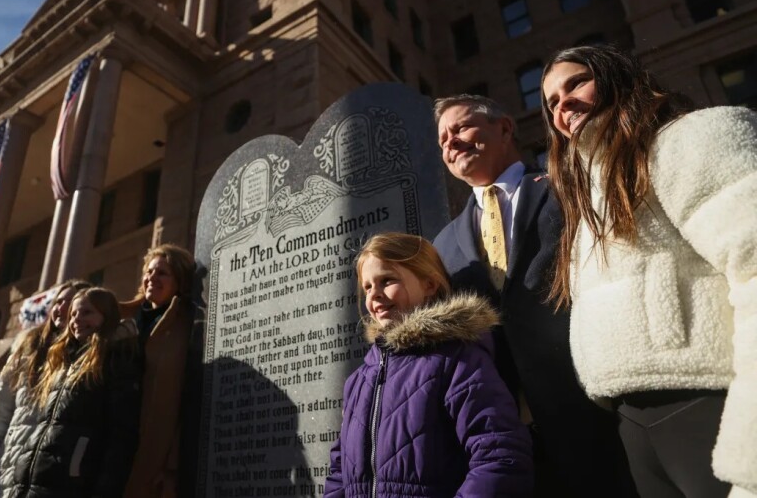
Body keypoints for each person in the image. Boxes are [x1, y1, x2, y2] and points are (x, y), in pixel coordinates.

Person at [540, 45, 757, 497]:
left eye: (576, 83)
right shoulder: (586, 205)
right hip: (632, 427)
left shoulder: (690, 138)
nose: (564, 106)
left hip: (709, 408)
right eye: (551, 102)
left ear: (617, 76)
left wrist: (749, 450)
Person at [431, 92, 635, 497]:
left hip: (602, 417)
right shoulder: (444, 243)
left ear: (505, 127)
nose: (451, 143)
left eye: (461, 128)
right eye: (442, 140)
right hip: (512, 442)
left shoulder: (567, 184)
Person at [324, 232, 533, 498]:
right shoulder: (359, 380)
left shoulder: (456, 361)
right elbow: (340, 471)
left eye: (387, 280)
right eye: (367, 287)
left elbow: (500, 455)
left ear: (429, 284)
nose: (374, 295)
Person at [0, 279, 91, 498]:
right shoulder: (25, 354)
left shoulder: (90, 359)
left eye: (70, 303)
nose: (61, 308)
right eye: (58, 301)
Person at [8, 287, 141, 498]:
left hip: (72, 487)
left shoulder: (117, 360)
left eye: (87, 313)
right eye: (73, 314)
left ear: (107, 316)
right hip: (32, 485)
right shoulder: (63, 361)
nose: (77, 319)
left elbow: (121, 437)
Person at [119, 243, 195, 498]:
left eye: (162, 273)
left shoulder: (188, 326)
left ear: (180, 280)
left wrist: (173, 466)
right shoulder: (121, 320)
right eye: (149, 272)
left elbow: (188, 398)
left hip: (154, 453)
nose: (152, 278)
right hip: (111, 440)